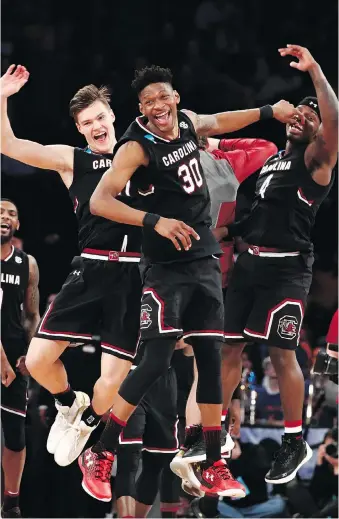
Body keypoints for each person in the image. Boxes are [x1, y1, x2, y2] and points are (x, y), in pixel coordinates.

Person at [78, 64, 303, 501]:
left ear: (174, 97)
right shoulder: (134, 147)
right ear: (140, 109)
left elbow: (219, 121)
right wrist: (154, 220)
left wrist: (268, 110)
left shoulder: (186, 122)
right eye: (147, 102)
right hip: (165, 268)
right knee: (153, 362)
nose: (157, 107)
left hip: (203, 261)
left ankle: (215, 460)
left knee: (211, 363)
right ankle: (101, 453)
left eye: (162, 97)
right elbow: (100, 200)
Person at [0, 65, 150, 467]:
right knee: (36, 361)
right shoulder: (74, 161)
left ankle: (85, 420)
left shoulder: (143, 152)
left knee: (114, 381)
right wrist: (1, 96)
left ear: (113, 115)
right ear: (81, 129)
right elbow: (8, 144)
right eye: (87, 123)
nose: (96, 126)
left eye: (100, 116)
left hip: (132, 274)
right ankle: (69, 403)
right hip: (89, 269)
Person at [218, 44, 338, 485]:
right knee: (229, 348)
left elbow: (334, 122)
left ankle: (293, 439)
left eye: (313, 114)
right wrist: (221, 234)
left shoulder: (316, 162)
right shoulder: (272, 163)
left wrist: (314, 73)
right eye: (300, 110)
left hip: (287, 271)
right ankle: (209, 433)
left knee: (281, 353)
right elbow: (252, 220)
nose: (304, 114)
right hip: (250, 267)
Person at [170, 136, 278, 516]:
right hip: (188, 275)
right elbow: (265, 147)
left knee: (209, 366)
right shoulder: (193, 164)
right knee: (192, 363)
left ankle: (197, 451)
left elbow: (267, 149)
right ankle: (193, 448)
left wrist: (217, 139)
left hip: (217, 280)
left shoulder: (217, 162)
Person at [1, 199, 40, 518]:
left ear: (18, 225)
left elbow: (32, 314)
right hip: (3, 360)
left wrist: (33, 353)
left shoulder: (27, 263)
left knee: (16, 437)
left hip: (14, 357)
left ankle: (11, 503)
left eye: (12, 213)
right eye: (0, 212)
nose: (5, 217)